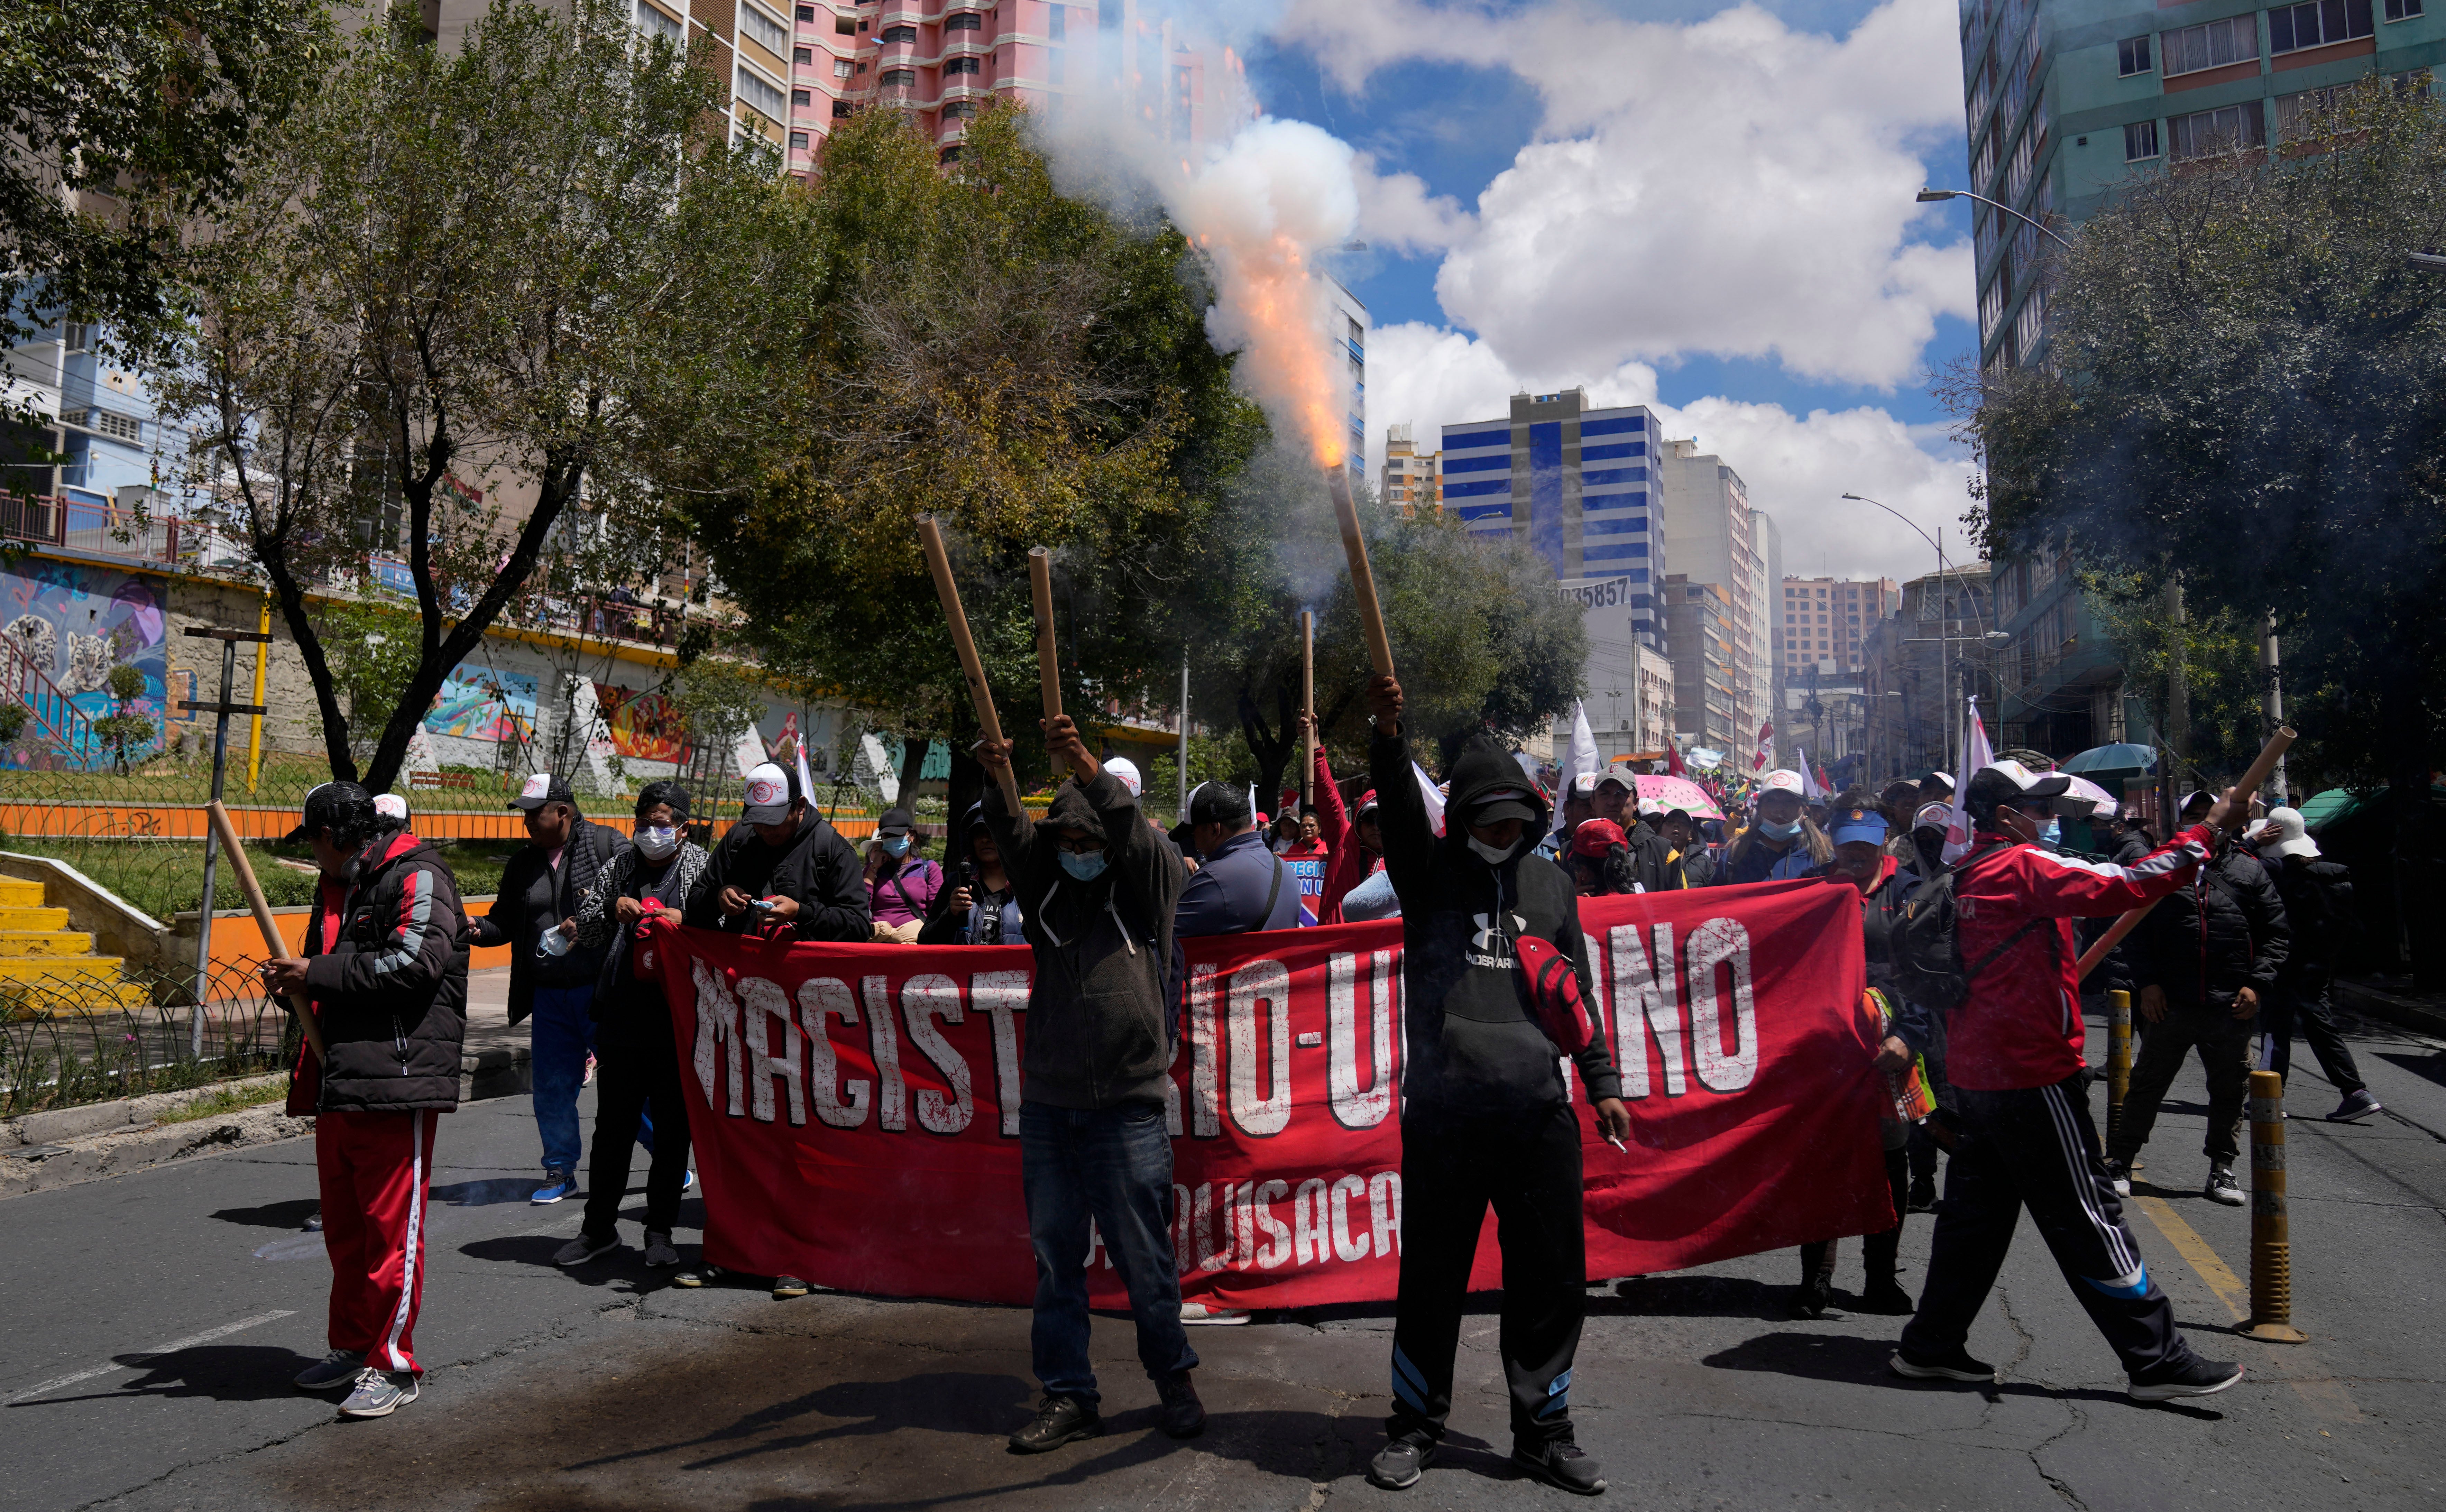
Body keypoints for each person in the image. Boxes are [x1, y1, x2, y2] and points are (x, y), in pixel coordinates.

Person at [1892, 762, 2247, 1403]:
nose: (2052, 820)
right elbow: (2131, 883)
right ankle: (2157, 1359)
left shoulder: (1968, 872)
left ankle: (1930, 1345)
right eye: (2042, 809)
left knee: (1974, 1222)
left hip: (1981, 1077)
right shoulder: (2020, 867)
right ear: (2006, 816)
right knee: (2090, 1216)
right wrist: (2206, 832)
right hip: (2032, 1075)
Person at [1362, 674, 1633, 1497]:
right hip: (1445, 1116)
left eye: (1517, 820)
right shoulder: (1427, 873)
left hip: (1537, 1115)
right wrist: (1387, 736)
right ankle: (1414, 1427)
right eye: (1489, 820)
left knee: (1551, 1278)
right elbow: (1400, 813)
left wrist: (1601, 1079)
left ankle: (1543, 1433)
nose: (1504, 833)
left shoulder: (1551, 884)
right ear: (1465, 818)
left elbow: (1575, 993)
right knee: (1432, 1277)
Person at [979, 714, 1203, 1452]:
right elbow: (1012, 831)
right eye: (1066, 843)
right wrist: (998, 774)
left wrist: (1085, 767)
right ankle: (1069, 1394)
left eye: (1089, 843)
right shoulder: (1044, 894)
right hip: (1051, 1106)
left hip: (1127, 1110)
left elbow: (1140, 837)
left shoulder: (1148, 888)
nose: (1077, 854)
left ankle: (1174, 1379)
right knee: (1055, 1260)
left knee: (1145, 1259)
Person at [266, 782, 467, 1419]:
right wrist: (296, 985)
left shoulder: (418, 875)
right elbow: (333, 972)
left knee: (390, 1234)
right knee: (347, 1230)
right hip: (341, 1077)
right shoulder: (345, 886)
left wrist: (316, 973)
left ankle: (393, 1365)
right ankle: (354, 1346)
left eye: (312, 843)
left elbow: (414, 963)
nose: (313, 856)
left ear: (330, 837)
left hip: (396, 1080)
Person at [675, 761, 868, 1298]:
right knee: (738, 1134)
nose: (764, 832)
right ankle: (733, 1251)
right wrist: (719, 898)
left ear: (799, 809)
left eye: (774, 823)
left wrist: (802, 912)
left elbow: (857, 925)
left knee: (800, 1141)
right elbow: (695, 909)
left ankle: (799, 1257)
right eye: (756, 822)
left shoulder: (831, 849)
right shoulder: (741, 841)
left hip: (808, 1021)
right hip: (741, 1013)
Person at [553, 782, 710, 1273]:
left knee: (672, 1131)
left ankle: (660, 1231)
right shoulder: (620, 866)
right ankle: (598, 1229)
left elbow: (723, 931)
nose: (650, 832)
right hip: (622, 1016)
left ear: (683, 828)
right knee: (612, 1132)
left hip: (678, 1021)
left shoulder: (702, 867)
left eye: (661, 824)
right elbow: (587, 929)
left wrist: (684, 919)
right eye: (643, 823)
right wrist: (610, 907)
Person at [2109, 800, 2290, 1206]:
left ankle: (2221, 1168)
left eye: (2219, 817)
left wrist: (2256, 984)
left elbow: (2276, 933)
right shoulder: (2164, 867)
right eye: (2196, 817)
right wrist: (2148, 983)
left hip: (2230, 1006)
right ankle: (2121, 1162)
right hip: (2170, 1003)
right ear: (2184, 824)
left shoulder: (2249, 871)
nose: (2212, 825)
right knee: (2147, 1085)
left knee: (2229, 1091)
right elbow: (2132, 929)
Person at [464, 773, 623, 1205]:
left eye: (535, 814)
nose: (528, 822)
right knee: (552, 1088)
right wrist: (476, 928)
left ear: (563, 812)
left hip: (601, 992)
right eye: (525, 814)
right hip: (549, 995)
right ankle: (560, 1170)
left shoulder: (608, 847)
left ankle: (663, 1157)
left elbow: (634, 905)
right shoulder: (522, 864)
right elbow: (504, 922)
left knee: (625, 1084)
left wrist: (594, 919)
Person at [1794, 798, 1917, 1317]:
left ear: (1884, 841)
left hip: (1887, 1045)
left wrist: (1909, 1035)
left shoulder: (1909, 891)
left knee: (1888, 1159)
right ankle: (1817, 1279)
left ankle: (1881, 1278)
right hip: (1824, 1044)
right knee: (1822, 1160)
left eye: (1867, 845)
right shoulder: (1810, 886)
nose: (1857, 855)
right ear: (1834, 843)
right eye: (1848, 846)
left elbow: (1927, 971)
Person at [2248, 808, 2380, 1121]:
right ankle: (2355, 1092)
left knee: (2275, 1027)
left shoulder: (2275, 870)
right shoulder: (2334, 875)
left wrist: (2251, 843)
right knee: (2319, 1024)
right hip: (2318, 963)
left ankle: (2269, 1096)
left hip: (2281, 961)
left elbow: (2228, 866)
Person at [1900, 801, 1957, 1211]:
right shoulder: (1904, 883)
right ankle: (1922, 1179)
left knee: (1957, 1095)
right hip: (1919, 1002)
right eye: (1923, 839)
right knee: (1919, 1094)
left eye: (1939, 839)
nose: (1931, 846)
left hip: (1960, 1005)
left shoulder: (1967, 880)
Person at [1176, 780, 1301, 935]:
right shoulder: (1287, 871)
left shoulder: (1212, 878)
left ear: (1214, 829)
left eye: (1193, 833)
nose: (1194, 842)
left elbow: (1166, 940)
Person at [1306, 719, 1387, 923]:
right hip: (1336, 942)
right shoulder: (1343, 840)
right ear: (1358, 822)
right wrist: (1314, 744)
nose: (1376, 827)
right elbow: (1328, 797)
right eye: (1369, 819)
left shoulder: (1404, 859)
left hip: (1381, 944)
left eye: (1382, 820)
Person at [920, 802, 1025, 945]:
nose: (985, 839)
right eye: (979, 834)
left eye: (992, 831)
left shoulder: (1027, 886)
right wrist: (951, 914)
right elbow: (925, 941)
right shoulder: (955, 883)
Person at [1720, 770, 1829, 884]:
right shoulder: (1734, 856)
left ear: (1805, 812)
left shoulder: (1825, 859)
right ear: (1759, 809)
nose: (1779, 809)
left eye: (1789, 802)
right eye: (1771, 801)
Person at [864, 806, 942, 943]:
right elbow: (862, 905)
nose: (892, 840)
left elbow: (937, 912)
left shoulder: (929, 869)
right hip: (878, 942)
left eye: (897, 835)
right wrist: (874, 867)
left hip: (913, 944)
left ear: (912, 836)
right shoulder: (872, 871)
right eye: (887, 836)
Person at [1564, 817, 1637, 896]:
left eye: (1574, 867)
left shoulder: (1579, 903)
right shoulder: (1641, 896)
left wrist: (1574, 901)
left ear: (1584, 872)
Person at [1658, 807, 1716, 889]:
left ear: (1691, 835)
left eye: (1683, 823)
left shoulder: (1704, 862)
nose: (1676, 825)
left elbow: (1714, 892)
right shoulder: (1651, 859)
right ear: (1660, 831)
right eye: (1671, 822)